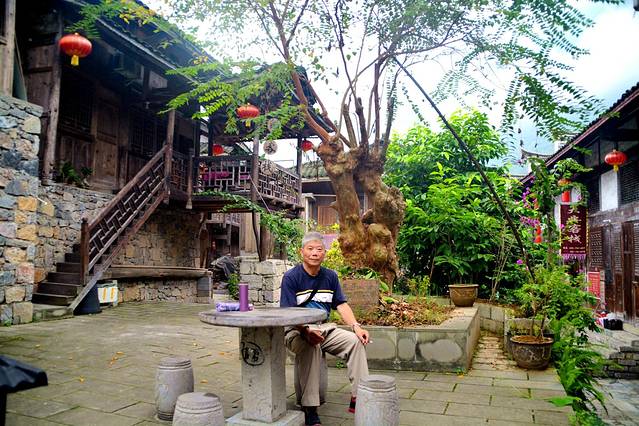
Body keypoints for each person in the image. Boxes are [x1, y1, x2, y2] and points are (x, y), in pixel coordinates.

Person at [280, 232, 370, 426]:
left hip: (324, 328)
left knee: (355, 342)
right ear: (302, 252)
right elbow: (288, 313)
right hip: (296, 330)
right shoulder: (291, 277)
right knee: (311, 345)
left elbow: (341, 305)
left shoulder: (330, 276)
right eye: (310, 249)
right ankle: (310, 408)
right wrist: (306, 331)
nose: (315, 253)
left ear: (324, 253)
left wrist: (356, 327)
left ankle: (361, 396)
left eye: (319, 249)